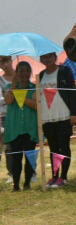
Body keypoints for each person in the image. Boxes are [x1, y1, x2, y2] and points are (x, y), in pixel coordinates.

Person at [36, 51, 76, 187]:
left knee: (64, 146)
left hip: (64, 115)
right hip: (47, 117)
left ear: (55, 57)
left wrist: (73, 113)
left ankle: (63, 177)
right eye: (44, 57)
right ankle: (54, 176)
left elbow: (72, 93)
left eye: (49, 56)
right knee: (53, 148)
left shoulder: (64, 71)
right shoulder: (40, 75)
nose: (47, 59)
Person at [3, 61, 39, 191]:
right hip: (15, 128)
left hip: (30, 127)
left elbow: (36, 105)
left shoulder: (34, 88)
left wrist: (20, 95)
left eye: (27, 71)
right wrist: (14, 85)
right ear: (16, 73)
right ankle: (16, 185)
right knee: (16, 157)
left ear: (30, 73)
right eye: (21, 71)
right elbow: (8, 100)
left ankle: (27, 184)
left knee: (29, 157)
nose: (24, 74)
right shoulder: (9, 86)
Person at [0, 55, 13, 172]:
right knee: (8, 145)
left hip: (22, 114)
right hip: (6, 116)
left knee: (26, 145)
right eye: (1, 63)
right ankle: (11, 172)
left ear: (11, 60)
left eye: (6, 61)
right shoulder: (0, 80)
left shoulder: (22, 76)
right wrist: (9, 97)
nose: (4, 65)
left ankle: (31, 172)